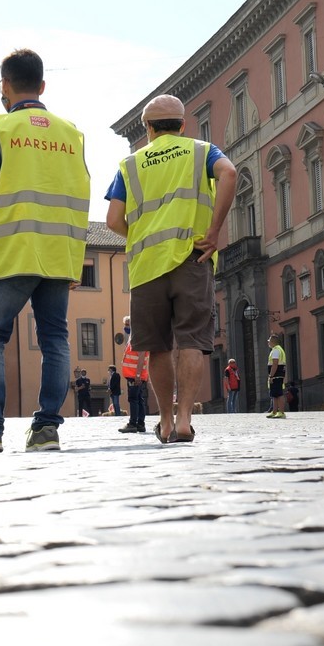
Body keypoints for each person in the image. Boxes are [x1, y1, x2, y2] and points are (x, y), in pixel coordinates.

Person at [0, 48, 89, 456]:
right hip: (59, 253)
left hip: (12, 251)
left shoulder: (0, 127)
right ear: (42, 86)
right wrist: (74, 257)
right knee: (55, 340)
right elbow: (81, 197)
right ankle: (46, 430)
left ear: (5, 85)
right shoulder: (72, 134)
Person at [105, 94, 237, 444]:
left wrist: (145, 233)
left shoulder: (130, 164)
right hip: (192, 257)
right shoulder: (201, 150)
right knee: (192, 340)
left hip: (147, 266)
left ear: (148, 129)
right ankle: (184, 420)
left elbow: (113, 220)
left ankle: (164, 422)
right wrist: (214, 231)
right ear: (182, 125)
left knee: (158, 347)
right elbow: (230, 174)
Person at [118, 317, 150, 434]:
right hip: (135, 375)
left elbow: (141, 357)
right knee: (139, 399)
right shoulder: (135, 337)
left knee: (133, 399)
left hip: (135, 375)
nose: (126, 327)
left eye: (127, 324)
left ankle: (133, 423)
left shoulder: (138, 337)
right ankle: (140, 424)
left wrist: (137, 375)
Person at [265, 334, 287, 419]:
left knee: (278, 394)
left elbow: (275, 364)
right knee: (274, 394)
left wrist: (271, 375)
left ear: (272, 342)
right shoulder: (277, 349)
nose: (268, 342)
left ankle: (281, 412)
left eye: (269, 341)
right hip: (277, 375)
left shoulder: (276, 351)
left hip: (276, 375)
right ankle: (274, 411)